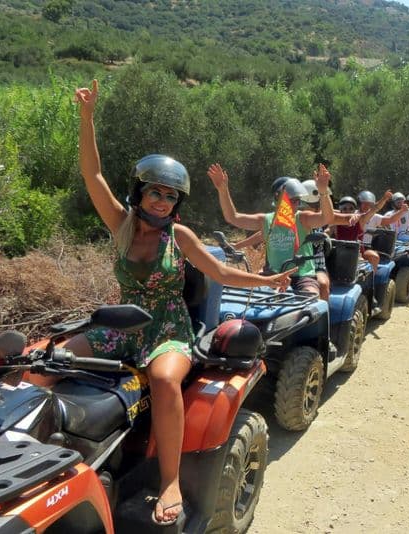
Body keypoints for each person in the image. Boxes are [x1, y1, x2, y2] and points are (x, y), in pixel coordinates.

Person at [72, 81, 294, 526]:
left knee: (164, 379)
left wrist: (265, 278)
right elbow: (92, 176)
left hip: (167, 326)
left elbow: (222, 274)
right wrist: (86, 118)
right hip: (121, 323)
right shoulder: (122, 224)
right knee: (46, 360)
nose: (162, 199)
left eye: (171, 195)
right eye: (156, 191)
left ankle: (170, 479)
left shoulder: (181, 236)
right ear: (140, 192)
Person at [207, 163, 335, 297]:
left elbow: (327, 217)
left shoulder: (303, 218)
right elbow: (233, 217)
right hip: (271, 276)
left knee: (311, 300)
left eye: (297, 200)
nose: (296, 204)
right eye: (291, 200)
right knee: (247, 299)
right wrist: (222, 190)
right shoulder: (266, 220)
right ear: (278, 198)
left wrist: (323, 191)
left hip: (302, 277)